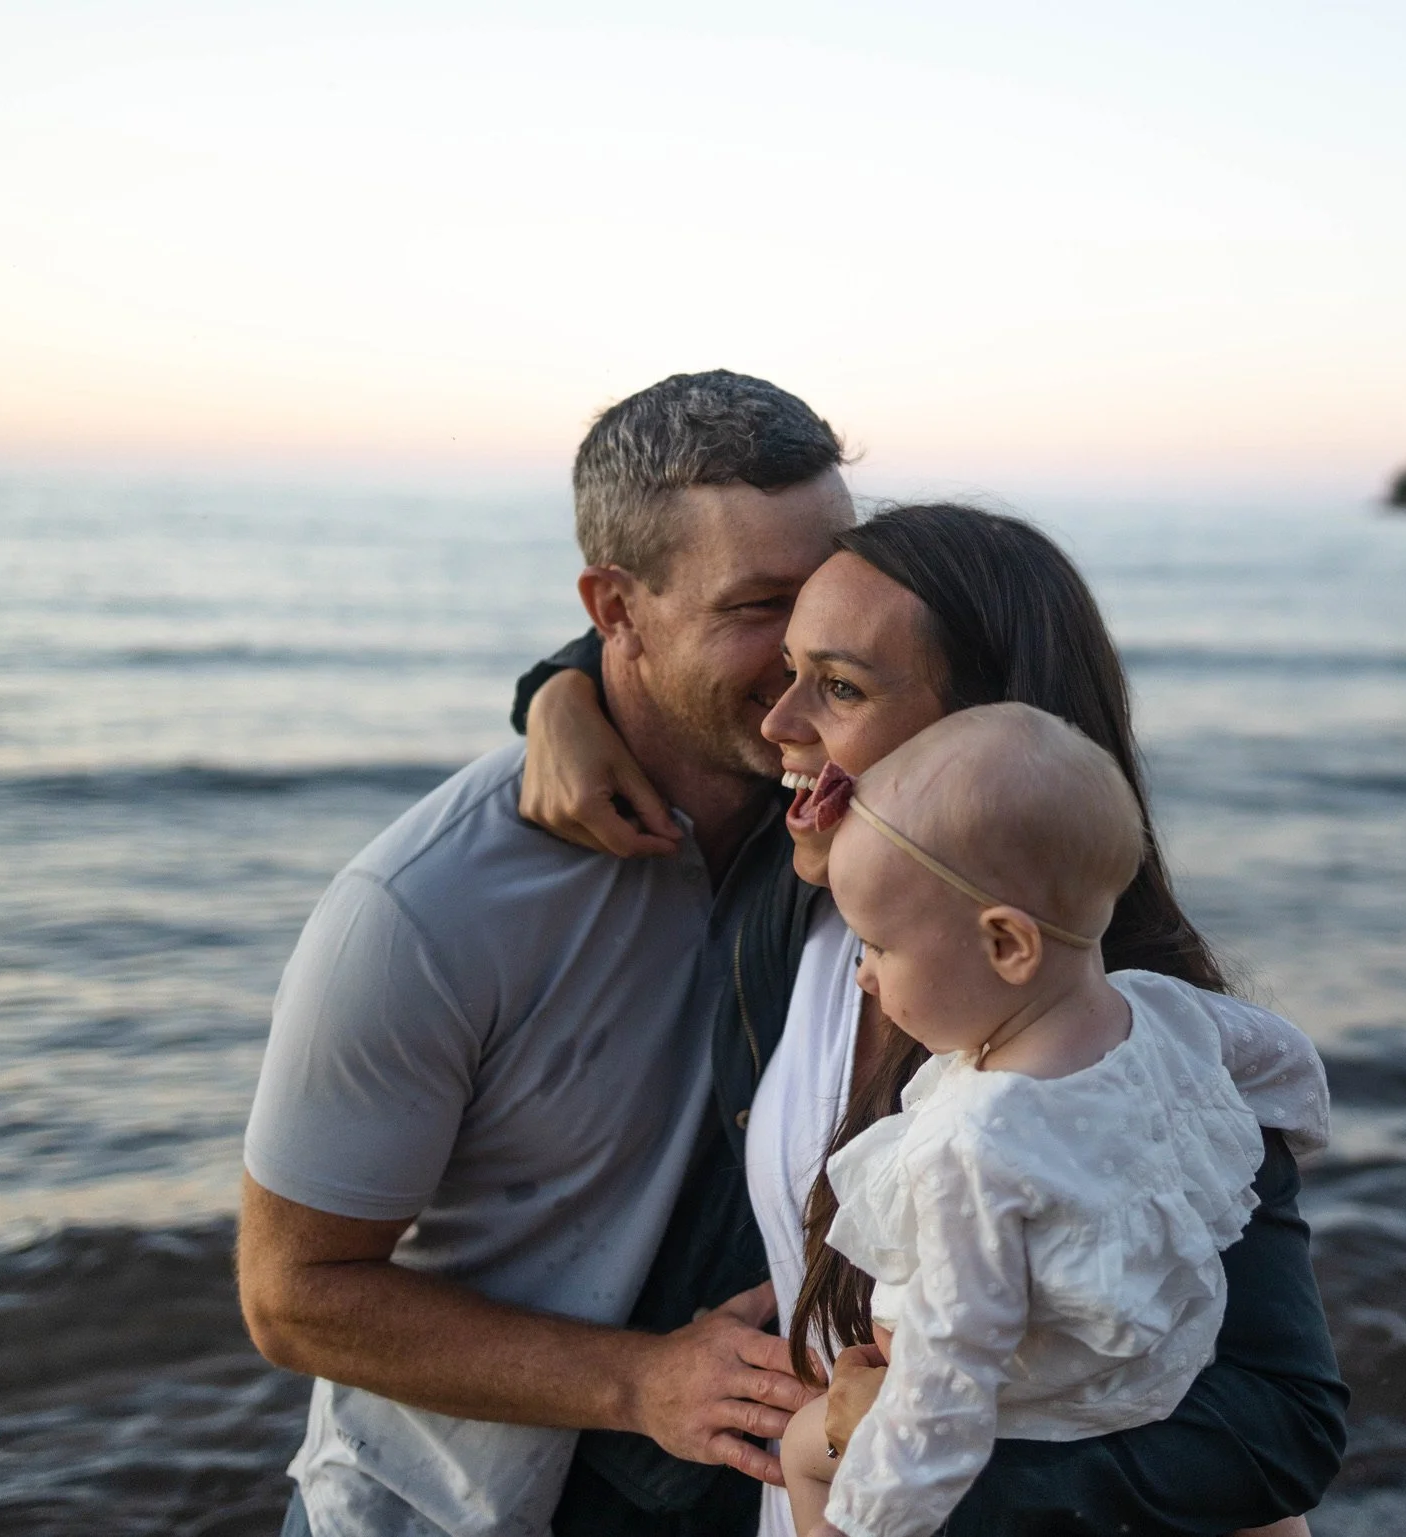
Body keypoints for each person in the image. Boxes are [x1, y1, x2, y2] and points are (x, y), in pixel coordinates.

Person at [519, 501, 1349, 1536]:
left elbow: (1280, 1425)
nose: (777, 723)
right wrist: (557, 694)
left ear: (993, 730)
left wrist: (878, 1453)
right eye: (786, 670)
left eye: (837, 687)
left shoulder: (1119, 1043)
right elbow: (665, 631)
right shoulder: (815, 899)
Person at [236, 370, 851, 1537]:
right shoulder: (421, 911)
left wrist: (557, 689)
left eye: (828, 585)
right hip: (442, 1515)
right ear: (614, 608)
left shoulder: (849, 821)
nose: (811, 643)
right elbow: (292, 1297)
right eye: (756, 606)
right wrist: (639, 1382)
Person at [761, 705, 1328, 1537]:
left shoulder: (979, 1140)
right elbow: (1283, 1060)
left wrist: (881, 1506)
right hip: (1163, 1375)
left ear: (1006, 946)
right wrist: (1292, 1144)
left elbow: (956, 1364)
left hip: (1043, 1416)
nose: (864, 979)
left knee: (807, 1451)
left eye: (876, 946)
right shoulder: (1160, 1010)